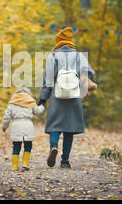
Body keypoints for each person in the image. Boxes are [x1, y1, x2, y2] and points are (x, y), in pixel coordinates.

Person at [38, 27, 96, 168]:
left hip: (57, 95)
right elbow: (89, 73)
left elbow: (48, 80)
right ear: (69, 41)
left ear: (58, 42)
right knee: (69, 128)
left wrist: (43, 99)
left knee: (54, 126)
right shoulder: (79, 56)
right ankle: (65, 161)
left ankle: (53, 147)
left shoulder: (53, 56)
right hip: (74, 95)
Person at [2, 87, 45, 171]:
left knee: (16, 146)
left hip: (16, 125)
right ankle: (25, 164)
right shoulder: (30, 102)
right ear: (28, 94)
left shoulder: (12, 103)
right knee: (28, 145)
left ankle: (14, 166)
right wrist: (42, 106)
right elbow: (38, 112)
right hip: (27, 125)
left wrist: (4, 126)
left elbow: (7, 117)